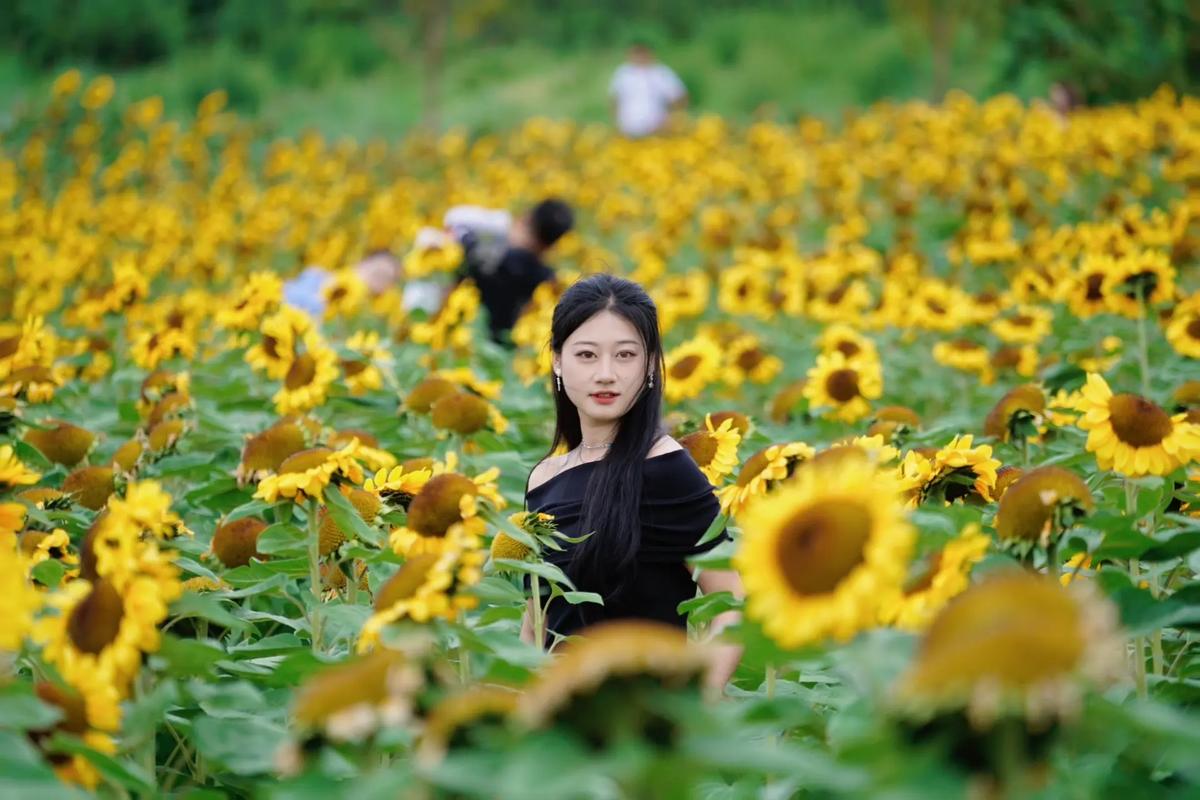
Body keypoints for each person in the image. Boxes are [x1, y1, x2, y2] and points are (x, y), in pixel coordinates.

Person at [520, 274, 744, 691]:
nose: (606, 374)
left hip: (644, 728)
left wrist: (695, 703)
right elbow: (537, 626)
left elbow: (731, 605)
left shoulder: (666, 469)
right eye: (586, 355)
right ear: (556, 360)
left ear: (649, 364)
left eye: (625, 355)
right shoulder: (543, 479)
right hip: (559, 736)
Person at [454, 197, 574, 345]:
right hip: (500, 346)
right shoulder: (545, 280)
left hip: (462, 335)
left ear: (527, 218)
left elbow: (454, 218)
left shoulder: (483, 247)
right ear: (553, 245)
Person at [283, 250, 401, 319]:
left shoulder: (366, 316)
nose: (377, 277)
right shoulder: (315, 275)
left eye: (385, 277)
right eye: (377, 270)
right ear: (363, 262)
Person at [609, 39, 688, 139]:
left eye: (641, 52)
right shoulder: (623, 73)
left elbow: (680, 97)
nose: (639, 56)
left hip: (656, 131)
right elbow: (614, 100)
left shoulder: (660, 72)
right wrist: (617, 123)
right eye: (636, 53)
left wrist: (672, 119)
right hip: (628, 132)